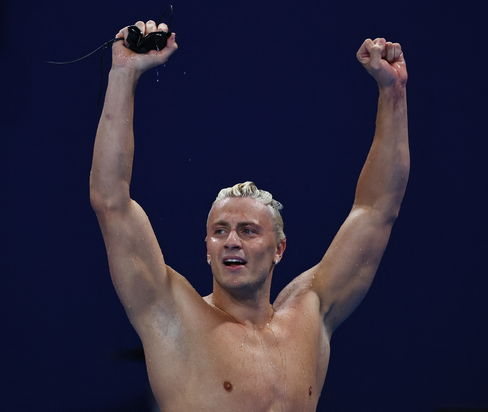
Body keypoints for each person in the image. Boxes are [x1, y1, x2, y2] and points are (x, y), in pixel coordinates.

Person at [89, 19, 409, 412]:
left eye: (248, 230)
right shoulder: (172, 315)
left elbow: (377, 210)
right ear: (206, 248)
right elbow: (111, 201)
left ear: (279, 248)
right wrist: (122, 75)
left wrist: (393, 91)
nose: (232, 241)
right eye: (219, 231)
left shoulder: (310, 314)